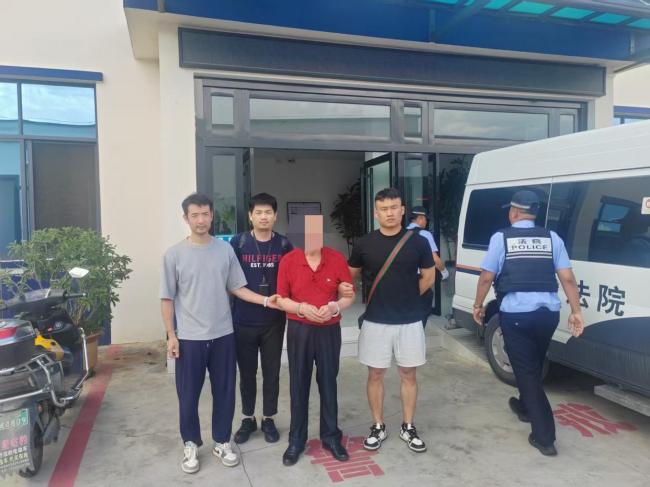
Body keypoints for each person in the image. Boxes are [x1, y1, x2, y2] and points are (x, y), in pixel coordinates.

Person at [160, 192, 280, 474]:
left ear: (212, 216)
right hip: (189, 338)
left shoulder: (225, 250)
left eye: (205, 214)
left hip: (224, 335)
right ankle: (191, 443)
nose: (201, 220)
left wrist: (266, 300)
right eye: (195, 215)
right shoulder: (173, 254)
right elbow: (167, 298)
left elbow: (237, 287)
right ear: (186, 218)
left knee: (225, 392)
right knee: (188, 395)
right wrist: (171, 335)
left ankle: (222, 441)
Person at [472, 189, 584, 457]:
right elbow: (568, 278)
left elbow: (487, 277)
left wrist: (477, 305)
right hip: (548, 315)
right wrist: (576, 311)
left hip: (517, 316)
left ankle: (544, 437)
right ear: (534, 213)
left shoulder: (501, 238)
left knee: (526, 371)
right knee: (533, 362)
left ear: (513, 212)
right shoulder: (552, 237)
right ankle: (525, 406)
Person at [348, 188, 435, 454]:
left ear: (402, 210)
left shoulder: (418, 242)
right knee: (375, 374)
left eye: (394, 207)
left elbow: (429, 277)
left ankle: (408, 426)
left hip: (409, 320)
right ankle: (378, 425)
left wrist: (407, 297)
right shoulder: (364, 243)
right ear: (376, 213)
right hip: (376, 321)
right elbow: (349, 276)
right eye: (384, 209)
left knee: (409, 374)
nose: (390, 213)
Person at [276, 215, 356, 466]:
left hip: (329, 330)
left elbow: (349, 295)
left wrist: (335, 307)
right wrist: (301, 308)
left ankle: (331, 437)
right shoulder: (288, 261)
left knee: (328, 382)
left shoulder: (336, 259)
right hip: (299, 329)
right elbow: (281, 298)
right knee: (298, 383)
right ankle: (296, 440)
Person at [230, 193, 293, 444]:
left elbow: (292, 279)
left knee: (271, 372)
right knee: (246, 373)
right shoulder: (238, 243)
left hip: (273, 322)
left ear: (275, 216)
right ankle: (248, 418)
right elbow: (230, 281)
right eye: (258, 212)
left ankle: (268, 418)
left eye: (268, 212)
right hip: (243, 319)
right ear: (250, 216)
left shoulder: (284, 245)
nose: (263, 217)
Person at [406, 205, 449, 325]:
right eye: (425, 219)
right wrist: (444, 272)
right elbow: (435, 260)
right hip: (419, 280)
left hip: (403, 278)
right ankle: (418, 334)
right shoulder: (425, 234)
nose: (426, 222)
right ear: (420, 218)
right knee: (421, 312)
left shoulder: (402, 233)